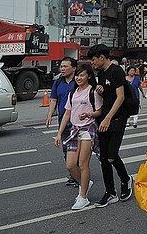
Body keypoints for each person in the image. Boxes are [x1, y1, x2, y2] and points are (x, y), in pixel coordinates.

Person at [88, 44, 133, 208]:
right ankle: (110, 192)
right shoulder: (101, 74)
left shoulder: (116, 71)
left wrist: (108, 118)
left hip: (117, 118)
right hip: (104, 118)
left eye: (93, 59)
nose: (92, 63)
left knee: (112, 155)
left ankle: (126, 180)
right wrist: (101, 90)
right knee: (104, 158)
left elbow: (120, 97)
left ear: (102, 57)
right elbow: (109, 94)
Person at [55, 64, 102, 210]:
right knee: (70, 165)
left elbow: (99, 112)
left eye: (82, 75)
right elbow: (67, 113)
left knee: (83, 164)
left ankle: (83, 197)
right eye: (78, 75)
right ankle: (85, 183)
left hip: (88, 129)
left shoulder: (93, 92)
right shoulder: (73, 92)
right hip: (74, 130)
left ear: (88, 76)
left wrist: (89, 114)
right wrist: (59, 133)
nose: (79, 78)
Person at [46, 57, 78, 186]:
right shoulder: (58, 82)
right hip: (63, 120)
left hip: (78, 121)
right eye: (61, 66)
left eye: (65, 66)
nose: (62, 69)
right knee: (66, 148)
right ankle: (73, 175)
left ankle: (79, 175)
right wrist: (49, 115)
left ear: (74, 68)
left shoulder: (79, 81)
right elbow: (53, 99)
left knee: (77, 149)